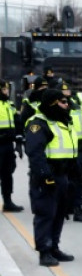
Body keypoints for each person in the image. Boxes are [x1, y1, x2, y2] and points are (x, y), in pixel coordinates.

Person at [24, 88, 78, 266]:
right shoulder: (38, 124)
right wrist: (45, 175)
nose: (67, 105)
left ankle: (54, 247)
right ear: (52, 104)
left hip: (62, 174)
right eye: (63, 102)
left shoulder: (62, 121)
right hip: (47, 175)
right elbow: (35, 153)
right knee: (45, 214)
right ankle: (44, 251)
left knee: (59, 213)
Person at [61, 80, 82, 223]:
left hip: (78, 152)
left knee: (77, 181)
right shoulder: (50, 113)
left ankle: (77, 209)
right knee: (62, 182)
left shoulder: (79, 111)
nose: (65, 97)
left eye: (67, 92)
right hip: (59, 154)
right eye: (62, 94)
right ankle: (62, 209)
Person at [0, 80, 24, 212]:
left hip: (8, 144)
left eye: (7, 90)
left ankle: (8, 202)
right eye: (4, 90)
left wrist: (19, 141)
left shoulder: (10, 105)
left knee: (7, 173)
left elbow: (18, 122)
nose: (7, 92)